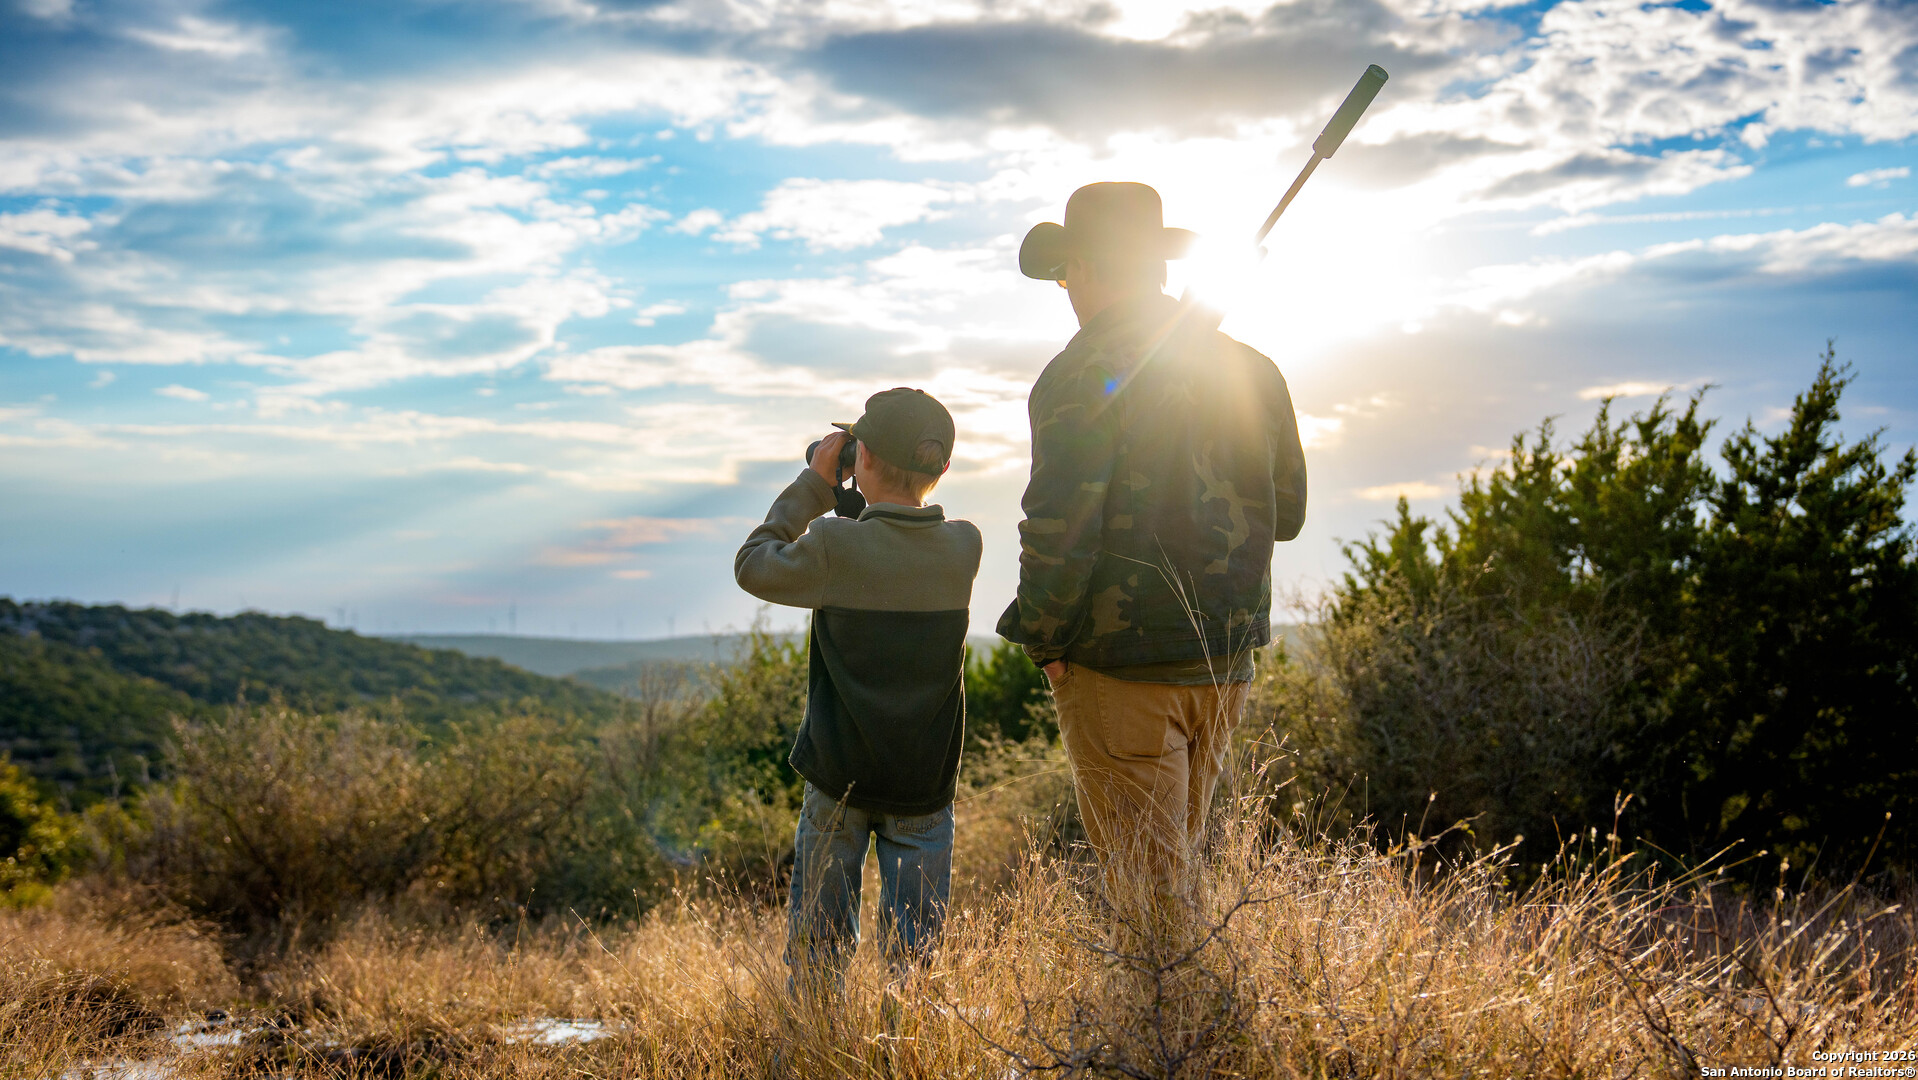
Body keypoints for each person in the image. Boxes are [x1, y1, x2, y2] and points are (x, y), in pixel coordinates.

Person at [997, 182, 1307, 919]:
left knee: (1150, 905)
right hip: (1224, 664)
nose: (1065, 291)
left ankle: (1172, 1001)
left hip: (1122, 669)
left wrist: (1044, 642)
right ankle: (1193, 997)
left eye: (1064, 274)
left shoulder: (1078, 373)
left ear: (1083, 266)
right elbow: (1287, 515)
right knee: (1175, 883)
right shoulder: (1253, 369)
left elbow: (1058, 525)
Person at [735, 388, 982, 993]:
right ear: (943, 466)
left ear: (861, 456)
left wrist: (815, 486)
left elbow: (753, 563)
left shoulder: (832, 545)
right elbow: (891, 546)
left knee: (818, 951)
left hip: (838, 779)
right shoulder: (964, 546)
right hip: (923, 784)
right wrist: (856, 499)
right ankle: (909, 1038)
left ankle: (816, 1036)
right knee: (916, 961)